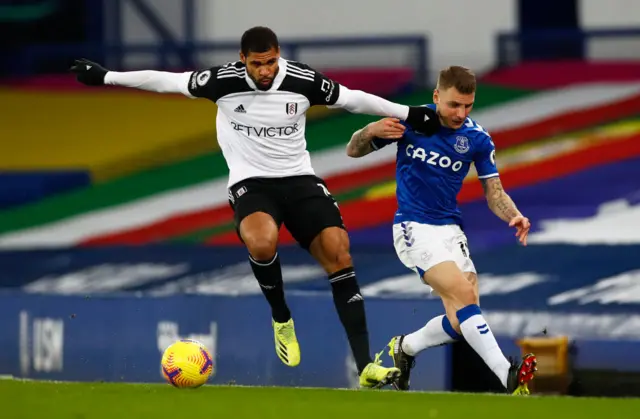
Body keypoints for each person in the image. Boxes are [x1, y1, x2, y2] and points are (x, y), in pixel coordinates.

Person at [70, 26, 440, 388]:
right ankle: (281, 318)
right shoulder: (221, 81)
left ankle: (365, 367)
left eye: (272, 62)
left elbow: (352, 98)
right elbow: (167, 80)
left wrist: (408, 113)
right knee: (262, 242)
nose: (266, 71)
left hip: (299, 179)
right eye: (258, 63)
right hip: (252, 183)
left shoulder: (302, 80)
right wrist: (106, 77)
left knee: (339, 253)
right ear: (242, 59)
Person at [345, 65, 537, 394]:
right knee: (464, 297)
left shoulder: (477, 138)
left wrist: (514, 215)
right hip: (412, 226)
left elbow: (494, 192)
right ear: (437, 97)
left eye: (467, 106)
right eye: (453, 105)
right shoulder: (411, 122)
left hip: (450, 230)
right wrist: (371, 130)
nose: (460, 113)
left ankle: (404, 348)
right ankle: (507, 374)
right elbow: (353, 149)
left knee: (464, 318)